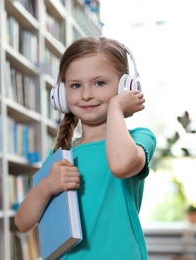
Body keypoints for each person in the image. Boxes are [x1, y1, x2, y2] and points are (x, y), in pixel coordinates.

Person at [14, 37, 156, 259]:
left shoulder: (139, 138)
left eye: (99, 83)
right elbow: (22, 222)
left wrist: (116, 107)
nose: (86, 94)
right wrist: (46, 186)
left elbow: (119, 165)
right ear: (61, 94)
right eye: (75, 85)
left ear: (125, 87)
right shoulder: (61, 157)